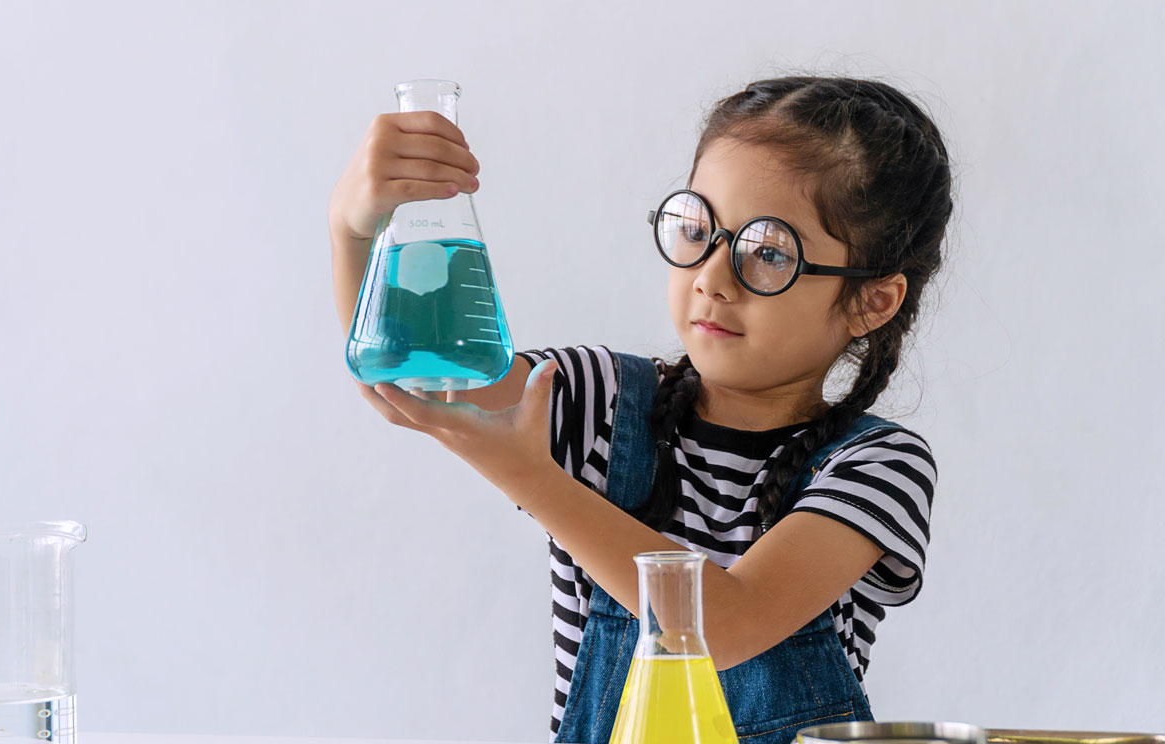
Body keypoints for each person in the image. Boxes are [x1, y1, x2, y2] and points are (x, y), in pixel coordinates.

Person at [328, 75, 954, 744]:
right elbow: (414, 376)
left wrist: (535, 480)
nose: (712, 278)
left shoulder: (878, 467)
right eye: (697, 229)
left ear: (871, 301)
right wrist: (352, 227)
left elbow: (726, 625)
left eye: (768, 253)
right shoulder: (600, 400)